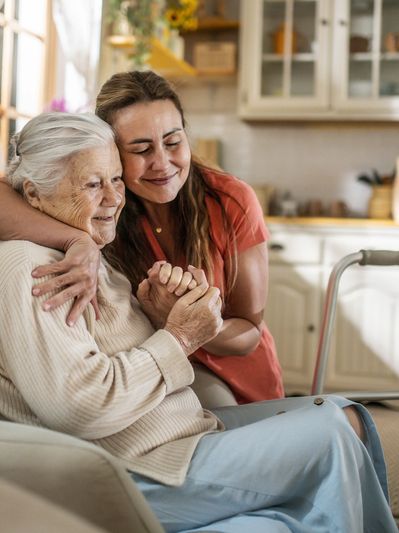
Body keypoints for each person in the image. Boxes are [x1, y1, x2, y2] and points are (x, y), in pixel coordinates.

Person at [0, 112, 397, 533]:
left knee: (342, 413)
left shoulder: (84, 253)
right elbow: (79, 406)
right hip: (147, 468)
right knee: (332, 433)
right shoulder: (35, 270)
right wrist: (179, 335)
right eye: (93, 184)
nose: (115, 198)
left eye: (116, 180)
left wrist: (160, 315)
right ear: (33, 193)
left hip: (179, 439)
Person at [0, 70, 283, 405]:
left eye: (174, 142)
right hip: (149, 378)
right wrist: (81, 243)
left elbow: (250, 333)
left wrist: (188, 322)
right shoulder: (104, 204)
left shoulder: (229, 200)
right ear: (112, 151)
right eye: (141, 149)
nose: (162, 163)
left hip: (237, 379)